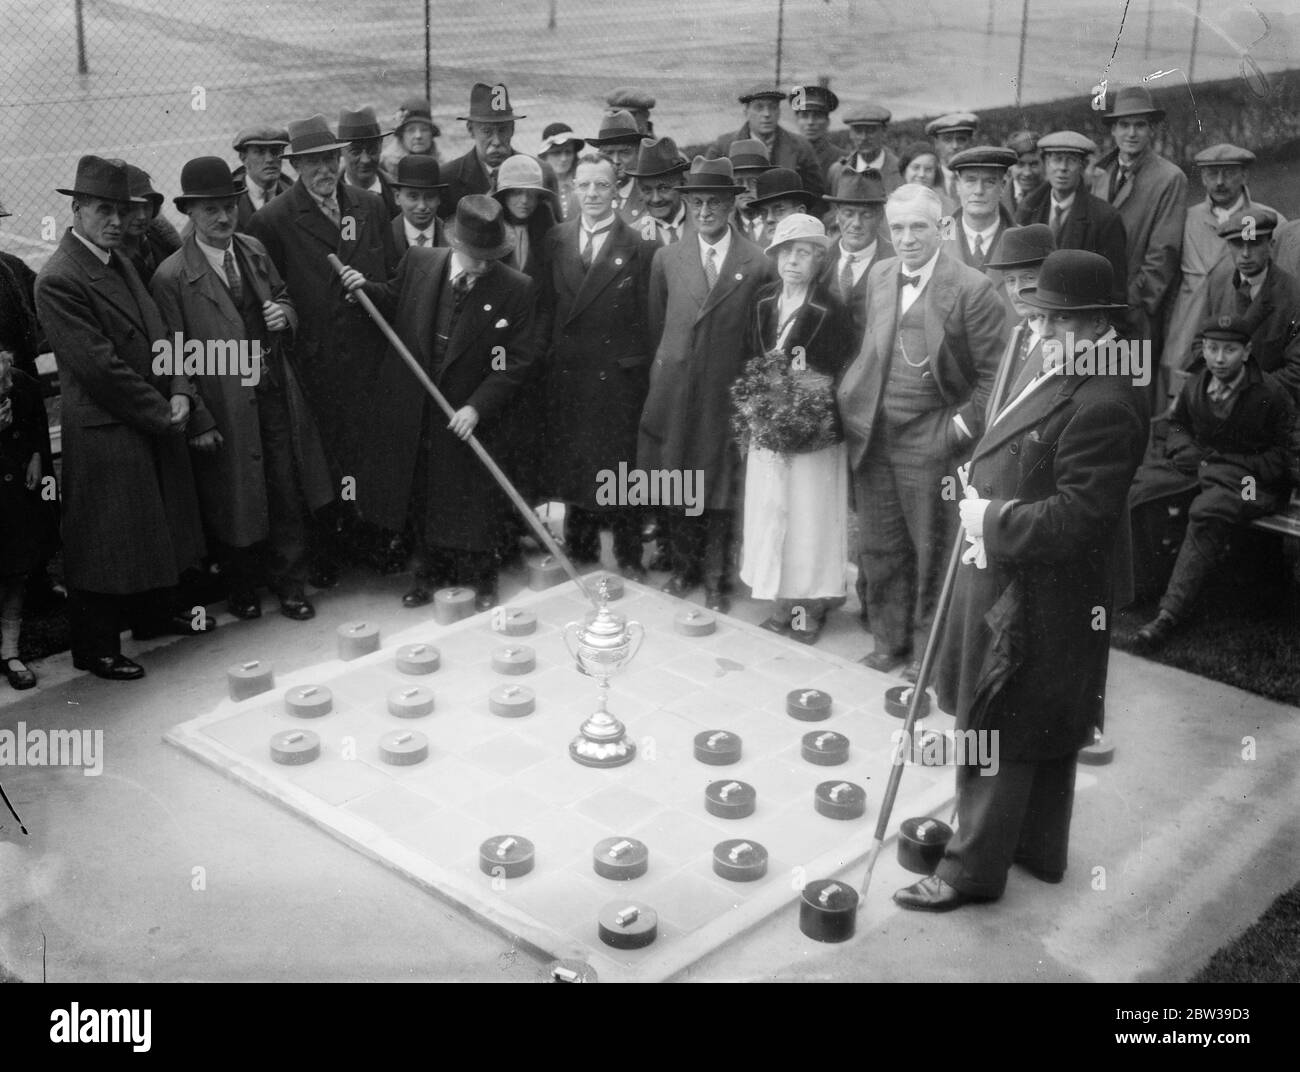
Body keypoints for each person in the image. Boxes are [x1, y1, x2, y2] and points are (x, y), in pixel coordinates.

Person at [892, 249, 1148, 911]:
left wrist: (992, 518)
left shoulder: (1107, 399)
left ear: (1099, 323)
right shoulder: (1061, 360)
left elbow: (1081, 517)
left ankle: (969, 873)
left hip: (1042, 589)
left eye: (1061, 320)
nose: (1043, 330)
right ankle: (1036, 848)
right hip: (1019, 576)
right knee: (1042, 718)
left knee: (1001, 717)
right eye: (1039, 317)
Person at [34, 156, 212, 681]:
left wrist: (179, 388)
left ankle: (153, 617)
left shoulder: (117, 261)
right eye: (103, 211)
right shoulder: (59, 278)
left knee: (151, 527)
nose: (116, 221)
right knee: (105, 541)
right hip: (109, 426)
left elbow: (160, 333)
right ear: (77, 209)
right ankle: (95, 648)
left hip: (145, 415)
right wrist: (164, 410)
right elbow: (100, 369)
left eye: (121, 210)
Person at [151, 155, 333, 623]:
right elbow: (172, 354)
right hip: (223, 402)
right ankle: (243, 586)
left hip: (272, 390)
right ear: (189, 212)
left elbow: (284, 296)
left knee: (285, 486)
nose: (223, 217)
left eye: (229, 206)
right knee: (232, 496)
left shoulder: (252, 249)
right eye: (209, 209)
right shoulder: (172, 276)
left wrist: (284, 315)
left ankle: (290, 583)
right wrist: (199, 417)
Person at [836, 183, 1004, 676]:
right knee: (880, 547)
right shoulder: (881, 274)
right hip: (876, 435)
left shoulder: (973, 288)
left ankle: (926, 656)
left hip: (931, 438)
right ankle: (888, 643)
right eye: (898, 228)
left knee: (931, 550)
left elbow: (996, 375)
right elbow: (872, 351)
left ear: (943, 228)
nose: (906, 238)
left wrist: (955, 430)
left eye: (918, 227)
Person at [340, 196, 538, 610]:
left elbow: (515, 361)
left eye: (491, 256)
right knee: (426, 493)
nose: (483, 264)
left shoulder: (516, 288)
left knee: (472, 498)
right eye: (475, 255)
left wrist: (477, 406)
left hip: (472, 411)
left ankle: (482, 580)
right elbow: (393, 299)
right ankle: (429, 575)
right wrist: (363, 289)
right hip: (420, 406)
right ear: (455, 243)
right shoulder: (420, 262)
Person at [640, 157, 776, 612]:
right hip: (678, 391)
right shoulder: (667, 259)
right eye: (696, 202)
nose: (704, 211)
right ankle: (685, 569)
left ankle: (717, 580)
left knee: (720, 490)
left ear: (731, 205)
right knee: (680, 480)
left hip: (726, 393)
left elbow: (761, 337)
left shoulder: (757, 263)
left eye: (714, 202)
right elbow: (659, 325)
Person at [1129, 315, 1294, 652]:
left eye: (1229, 350)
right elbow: (1176, 425)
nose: (1219, 358)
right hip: (1201, 467)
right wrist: (1185, 449)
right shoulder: (1196, 384)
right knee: (1140, 489)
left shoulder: (1270, 393)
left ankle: (1169, 614)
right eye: (1212, 348)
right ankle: (1143, 583)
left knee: (1207, 509)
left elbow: (1284, 453)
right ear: (1203, 349)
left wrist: (1233, 465)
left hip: (1252, 482)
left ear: (1246, 352)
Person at [735, 214, 855, 644]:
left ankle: (811, 608)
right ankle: (781, 601)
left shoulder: (830, 310)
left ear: (819, 259)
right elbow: (750, 358)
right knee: (771, 510)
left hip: (814, 433)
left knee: (809, 518)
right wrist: (758, 403)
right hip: (768, 428)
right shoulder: (763, 300)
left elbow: (838, 371)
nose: (792, 261)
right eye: (785, 252)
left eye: (803, 253)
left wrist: (802, 407)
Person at [542, 154, 656, 580]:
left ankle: (629, 554)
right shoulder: (556, 239)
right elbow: (545, 307)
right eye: (584, 185)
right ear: (572, 188)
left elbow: (648, 320)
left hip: (617, 380)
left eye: (602, 185)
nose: (592, 194)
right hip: (570, 375)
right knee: (576, 464)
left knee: (620, 468)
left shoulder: (640, 246)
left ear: (616, 191)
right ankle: (581, 549)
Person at [1162, 144, 1285, 402]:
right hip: (1189, 327)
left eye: (1228, 173)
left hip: (1242, 329)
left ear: (1244, 175)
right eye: (1212, 174)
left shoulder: (1267, 221)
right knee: (1181, 401)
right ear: (1202, 178)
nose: (1219, 182)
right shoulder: (1187, 219)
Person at [1088, 85, 1187, 370]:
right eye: (1124, 125)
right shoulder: (1099, 174)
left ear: (1152, 129)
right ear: (1113, 130)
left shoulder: (1169, 178)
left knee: (1133, 380)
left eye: (1140, 125)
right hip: (1095, 307)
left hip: (1135, 311)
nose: (1131, 133)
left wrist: (1131, 303)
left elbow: (1163, 254)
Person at [1177, 209, 1300, 403]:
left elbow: (1296, 370)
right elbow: (1200, 341)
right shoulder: (1219, 279)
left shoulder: (1293, 295)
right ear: (1228, 245)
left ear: (1271, 245)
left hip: (1270, 405)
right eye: (1237, 244)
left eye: (1255, 244)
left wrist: (1244, 388)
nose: (1245, 254)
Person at [1014, 131, 1127, 309]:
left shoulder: (1105, 218)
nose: (1063, 168)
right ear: (1045, 164)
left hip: (1079, 315)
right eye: (1056, 160)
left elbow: (1114, 290)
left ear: (1083, 166)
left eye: (1071, 161)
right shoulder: (1028, 211)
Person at [0, 348, 49, 688]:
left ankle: (10, 650)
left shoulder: (20, 384)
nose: (6, 386)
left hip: (11, 492)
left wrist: (35, 456)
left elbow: (35, 423)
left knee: (16, 568)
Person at [439, 82, 558, 217]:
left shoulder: (541, 172)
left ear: (512, 129)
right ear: (471, 130)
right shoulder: (447, 178)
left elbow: (555, 227)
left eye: (502, 130)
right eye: (487, 131)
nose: (496, 141)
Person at [709, 85, 826, 208]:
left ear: (779, 112)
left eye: (772, 107)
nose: (767, 114)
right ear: (746, 112)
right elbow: (710, 191)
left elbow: (816, 196)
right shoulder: (723, 146)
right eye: (759, 107)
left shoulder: (801, 146)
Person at [819, 166, 893, 348]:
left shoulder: (896, 262)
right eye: (848, 213)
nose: (856, 223)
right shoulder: (819, 259)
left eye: (866, 215)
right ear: (837, 214)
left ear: (880, 216)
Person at [982, 224, 1055, 389]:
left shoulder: (1063, 338)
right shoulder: (1020, 331)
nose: (1016, 290)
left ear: (1051, 277)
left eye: (1029, 278)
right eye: (1010, 280)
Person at [942, 146, 1018, 282]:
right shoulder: (934, 236)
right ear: (958, 185)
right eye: (970, 180)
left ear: (1003, 186)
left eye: (989, 182)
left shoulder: (1022, 239)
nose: (978, 190)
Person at [493, 155, 559, 278]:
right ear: (504, 195)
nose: (524, 200)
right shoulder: (490, 231)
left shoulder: (549, 232)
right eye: (517, 193)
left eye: (532, 194)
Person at [121, 165, 181, 286]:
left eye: (147, 206)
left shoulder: (160, 239)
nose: (142, 216)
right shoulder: (110, 256)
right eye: (132, 208)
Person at [626, 136, 690, 246]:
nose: (656, 199)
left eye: (663, 188)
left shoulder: (706, 225)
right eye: (647, 190)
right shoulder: (632, 236)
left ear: (682, 184)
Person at [587, 110, 647, 225]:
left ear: (637, 153)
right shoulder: (587, 196)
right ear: (599, 155)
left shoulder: (649, 195)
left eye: (624, 152)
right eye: (608, 153)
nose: (615, 161)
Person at [338, 106, 400, 217]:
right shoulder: (330, 197)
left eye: (372, 150)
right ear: (340, 150)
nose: (365, 160)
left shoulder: (397, 196)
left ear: (381, 145)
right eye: (355, 152)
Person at [828, 103, 900, 195]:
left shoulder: (900, 171)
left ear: (884, 132)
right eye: (858, 131)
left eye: (871, 131)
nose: (864, 138)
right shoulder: (837, 171)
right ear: (850, 134)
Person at [231, 126, 293, 231]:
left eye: (275, 151)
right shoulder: (229, 198)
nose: (269, 159)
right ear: (243, 158)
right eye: (260, 152)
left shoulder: (295, 195)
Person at [388, 154, 448, 254]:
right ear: (397, 197)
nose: (422, 206)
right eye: (413, 197)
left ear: (439, 198)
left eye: (430, 196)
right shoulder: (384, 237)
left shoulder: (454, 239)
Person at [746, 167, 817, 248]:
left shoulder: (817, 252)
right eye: (764, 213)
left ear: (800, 213)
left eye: (779, 211)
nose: (769, 219)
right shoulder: (759, 255)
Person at [788, 84, 841, 184]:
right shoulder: (785, 153)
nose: (810, 122)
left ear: (827, 122)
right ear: (796, 120)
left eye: (817, 116)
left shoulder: (840, 158)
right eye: (804, 116)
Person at [380, 96, 441, 177]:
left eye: (424, 129)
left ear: (431, 134)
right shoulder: (384, 166)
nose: (418, 136)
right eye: (411, 130)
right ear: (402, 135)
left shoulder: (443, 165)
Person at [924, 112, 979, 203]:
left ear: (970, 143)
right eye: (947, 139)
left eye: (961, 139)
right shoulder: (927, 179)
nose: (955, 146)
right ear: (936, 144)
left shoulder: (982, 177)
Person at [729, 139, 774, 245]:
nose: (746, 188)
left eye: (753, 182)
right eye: (738, 182)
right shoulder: (723, 228)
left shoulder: (781, 224)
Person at [537, 123, 585, 223]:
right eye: (556, 153)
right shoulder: (538, 185)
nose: (563, 158)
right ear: (545, 156)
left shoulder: (582, 182)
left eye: (568, 152)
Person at [897, 142, 955, 216]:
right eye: (916, 168)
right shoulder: (892, 204)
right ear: (904, 171)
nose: (921, 174)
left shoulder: (947, 207)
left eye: (928, 169)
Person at [1002, 130, 1044, 216]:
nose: (1027, 173)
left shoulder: (1051, 196)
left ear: (1044, 163)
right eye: (1020, 164)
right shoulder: (998, 195)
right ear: (1009, 165)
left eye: (1034, 164)